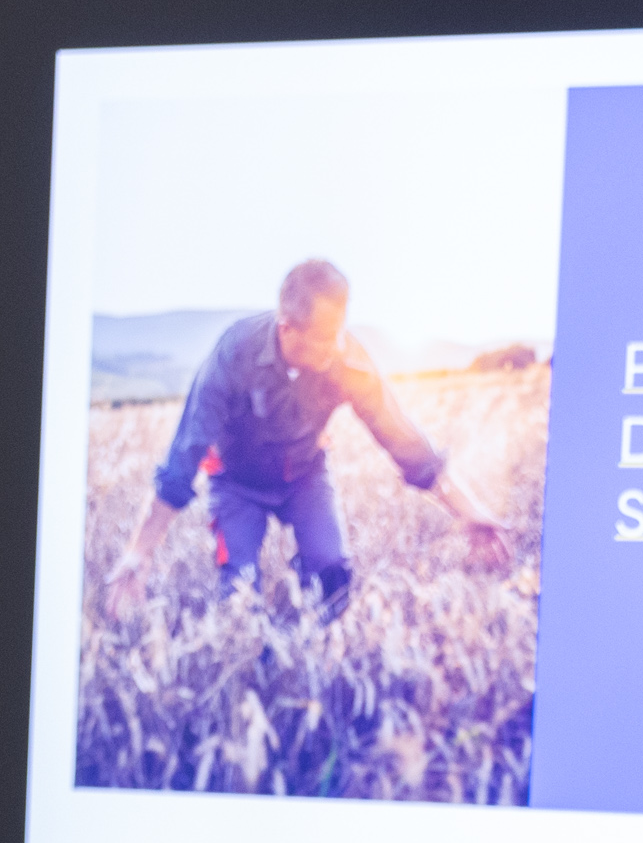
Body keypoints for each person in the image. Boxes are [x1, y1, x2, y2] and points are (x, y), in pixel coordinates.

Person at [121, 259, 513, 620]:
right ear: (287, 329)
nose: (338, 346)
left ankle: (311, 640)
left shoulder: (348, 359)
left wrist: (468, 511)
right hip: (237, 484)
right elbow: (183, 458)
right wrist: (139, 554)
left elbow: (403, 439)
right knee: (238, 595)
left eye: (340, 331)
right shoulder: (234, 353)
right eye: (326, 337)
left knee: (333, 578)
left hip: (306, 477)